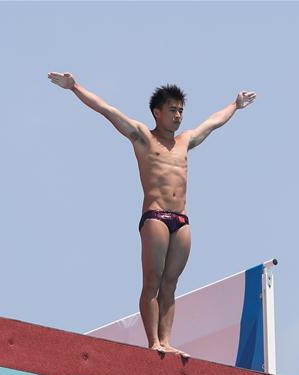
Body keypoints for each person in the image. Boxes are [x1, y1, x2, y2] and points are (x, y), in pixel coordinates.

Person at [48, 72, 256, 357]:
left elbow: (213, 122)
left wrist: (235, 105)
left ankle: (166, 340)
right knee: (153, 280)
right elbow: (107, 110)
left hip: (181, 220)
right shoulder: (142, 137)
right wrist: (75, 87)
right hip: (156, 216)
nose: (178, 115)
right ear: (157, 113)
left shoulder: (185, 141)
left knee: (171, 284)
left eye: (181, 110)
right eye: (172, 110)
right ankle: (153, 342)